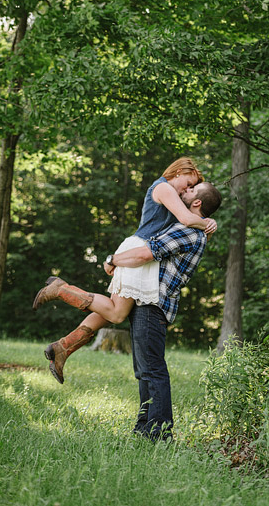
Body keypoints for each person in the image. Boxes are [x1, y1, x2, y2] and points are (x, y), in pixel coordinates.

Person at [33, 157, 217, 383]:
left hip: (141, 251)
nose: (188, 189)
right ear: (178, 172)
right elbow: (188, 219)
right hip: (139, 250)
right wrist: (208, 223)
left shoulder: (173, 193)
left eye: (192, 188)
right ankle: (61, 290)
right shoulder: (164, 187)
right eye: (189, 183)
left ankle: (63, 348)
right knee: (116, 313)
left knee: (109, 312)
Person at [102, 180, 222, 440]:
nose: (184, 191)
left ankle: (159, 432)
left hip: (153, 304)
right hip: (149, 303)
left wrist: (112, 260)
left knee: (152, 370)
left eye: (190, 190)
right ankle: (144, 427)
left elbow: (148, 253)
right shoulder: (189, 227)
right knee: (144, 370)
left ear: (197, 202)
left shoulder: (187, 231)